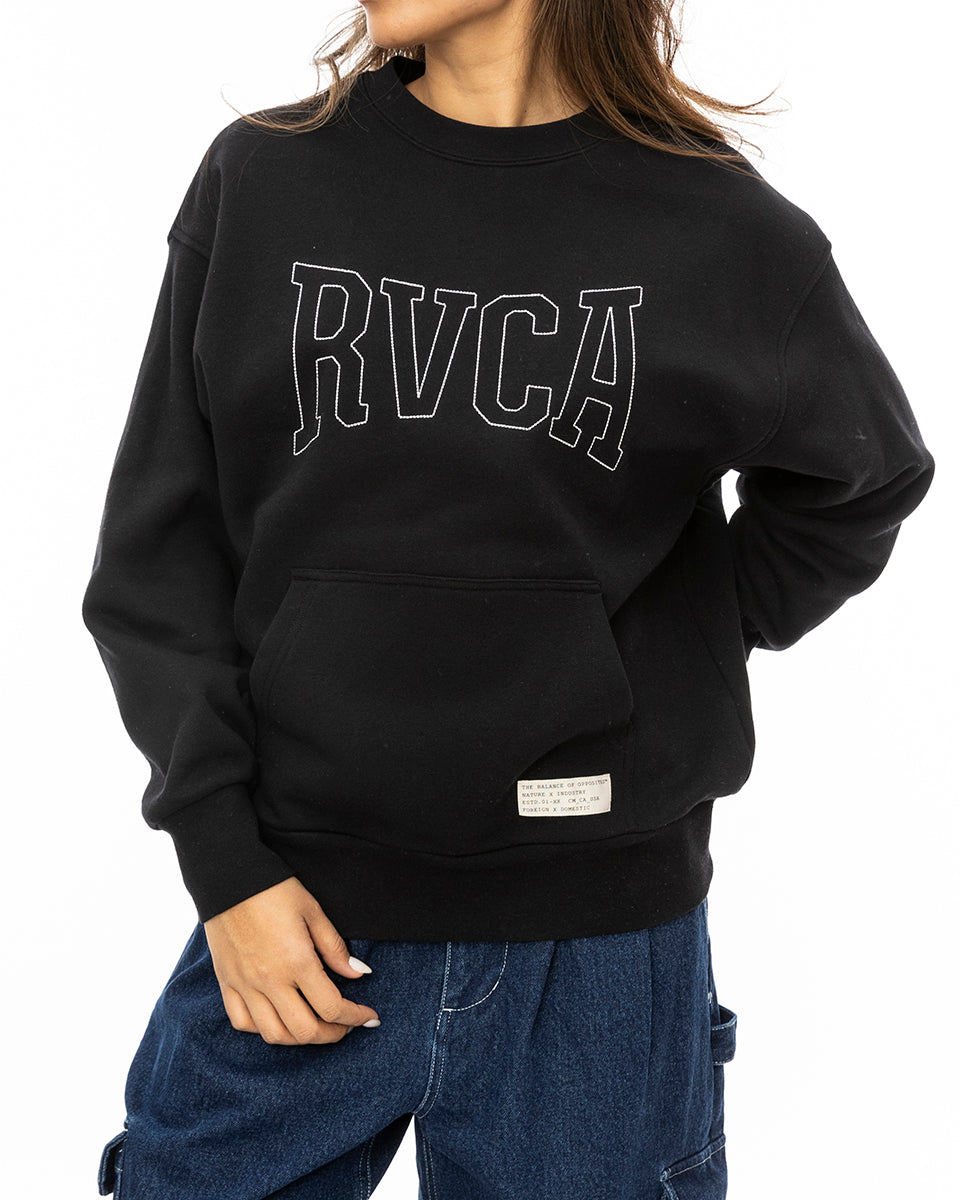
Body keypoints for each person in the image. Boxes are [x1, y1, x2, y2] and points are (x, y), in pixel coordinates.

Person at [82, 2, 935, 1198]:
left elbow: (865, 477)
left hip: (600, 953)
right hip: (296, 918)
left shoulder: (715, 225)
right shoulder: (265, 182)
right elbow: (157, 557)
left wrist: (673, 644)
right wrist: (225, 868)